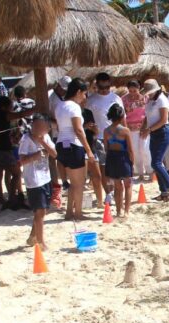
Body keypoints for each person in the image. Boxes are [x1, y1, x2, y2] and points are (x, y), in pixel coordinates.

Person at [55, 78, 95, 222]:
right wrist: (89, 150)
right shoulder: (74, 107)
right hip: (74, 145)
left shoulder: (60, 105)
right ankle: (77, 213)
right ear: (78, 92)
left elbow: (60, 128)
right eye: (84, 94)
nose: (84, 97)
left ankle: (68, 213)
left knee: (72, 183)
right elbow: (78, 130)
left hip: (61, 144)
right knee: (79, 184)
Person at [0, 96, 34, 209]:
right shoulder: (5, 115)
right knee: (17, 174)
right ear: (4, 107)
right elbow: (22, 114)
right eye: (10, 106)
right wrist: (36, 108)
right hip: (5, 149)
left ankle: (2, 201)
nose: (12, 108)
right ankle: (12, 198)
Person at [18, 114, 55, 250]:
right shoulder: (26, 140)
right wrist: (35, 156)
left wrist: (43, 142)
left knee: (43, 210)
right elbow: (21, 160)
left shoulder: (45, 137)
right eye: (36, 125)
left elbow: (54, 154)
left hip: (46, 177)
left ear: (47, 128)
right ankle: (40, 242)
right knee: (39, 211)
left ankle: (33, 236)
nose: (38, 128)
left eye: (41, 126)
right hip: (34, 180)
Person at [86, 73, 124, 198]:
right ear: (96, 85)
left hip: (115, 137)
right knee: (103, 168)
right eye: (101, 88)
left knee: (115, 168)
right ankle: (108, 193)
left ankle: (113, 191)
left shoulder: (116, 98)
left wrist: (125, 136)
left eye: (107, 87)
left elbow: (123, 119)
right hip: (98, 138)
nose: (104, 90)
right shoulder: (90, 100)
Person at [140, 79, 169, 202]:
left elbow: (163, 120)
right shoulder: (150, 101)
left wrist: (148, 129)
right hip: (154, 133)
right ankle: (164, 191)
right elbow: (147, 116)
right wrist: (144, 126)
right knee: (156, 163)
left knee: (156, 163)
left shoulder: (162, 100)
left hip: (162, 132)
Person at [104, 104, 134, 219]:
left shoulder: (106, 131)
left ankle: (118, 211)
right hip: (124, 157)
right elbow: (130, 149)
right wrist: (132, 162)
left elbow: (106, 148)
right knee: (128, 185)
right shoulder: (125, 131)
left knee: (117, 187)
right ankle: (126, 211)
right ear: (122, 117)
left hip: (112, 158)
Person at [122, 80, 149, 182]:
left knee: (145, 150)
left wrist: (145, 126)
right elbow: (122, 114)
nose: (133, 93)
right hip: (130, 129)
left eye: (135, 90)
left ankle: (150, 171)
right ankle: (140, 173)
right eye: (130, 91)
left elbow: (148, 113)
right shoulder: (123, 99)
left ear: (139, 89)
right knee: (135, 152)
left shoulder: (145, 98)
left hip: (143, 128)